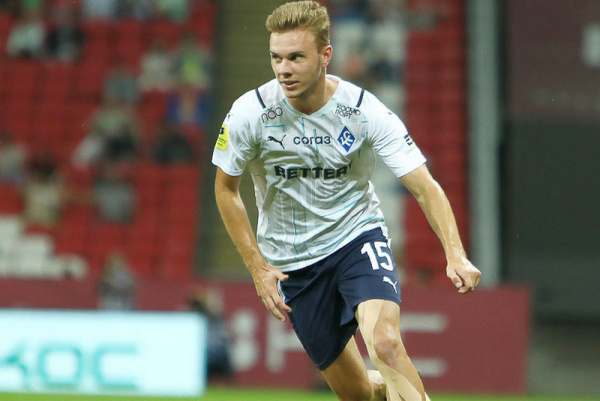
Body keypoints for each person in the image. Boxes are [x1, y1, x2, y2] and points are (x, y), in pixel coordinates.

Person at [212, 2, 481, 401]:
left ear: (325, 55)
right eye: (276, 58)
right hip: (293, 264)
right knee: (358, 394)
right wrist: (257, 267)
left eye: (296, 57)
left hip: (356, 238)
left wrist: (455, 254)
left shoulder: (363, 111)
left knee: (385, 343)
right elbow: (226, 190)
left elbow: (425, 186)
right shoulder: (249, 114)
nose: (284, 69)